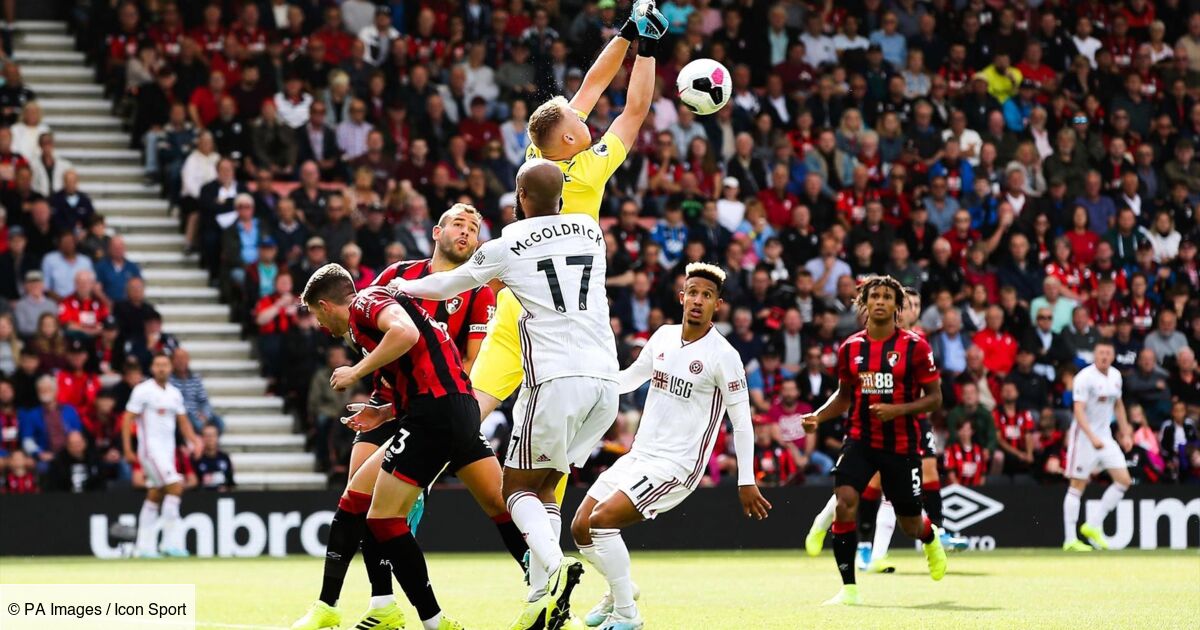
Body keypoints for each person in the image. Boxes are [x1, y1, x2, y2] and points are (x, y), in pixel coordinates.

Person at [387, 158, 620, 628]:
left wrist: (398, 286)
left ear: (518, 195)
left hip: (556, 380)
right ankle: (541, 600)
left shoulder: (509, 243)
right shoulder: (589, 229)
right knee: (546, 488)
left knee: (513, 490)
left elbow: (449, 283)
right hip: (605, 384)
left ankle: (552, 570)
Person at [464, 1, 666, 541]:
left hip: (515, 304)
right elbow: (634, 108)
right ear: (574, 140)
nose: (585, 114)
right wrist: (646, 45)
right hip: (565, 321)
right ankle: (546, 547)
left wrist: (626, 32)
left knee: (471, 409)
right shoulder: (591, 167)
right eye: (580, 121)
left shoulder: (538, 154)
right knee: (550, 452)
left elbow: (593, 86)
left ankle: (412, 480)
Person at [303, 204, 505, 630]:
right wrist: (384, 406)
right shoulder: (398, 278)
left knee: (485, 502)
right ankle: (380, 605)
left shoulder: (476, 290)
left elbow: (427, 343)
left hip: (437, 406)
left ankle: (540, 584)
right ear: (437, 231)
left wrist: (357, 371)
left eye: (473, 227)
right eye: (458, 224)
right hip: (405, 404)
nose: (466, 232)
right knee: (363, 502)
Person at [570, 263, 770, 629]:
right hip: (641, 454)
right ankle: (622, 589)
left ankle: (628, 615)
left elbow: (742, 422)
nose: (698, 300)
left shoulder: (724, 356)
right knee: (580, 526)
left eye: (706, 295)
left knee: (601, 523)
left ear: (717, 305)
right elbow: (631, 379)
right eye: (692, 292)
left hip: (676, 466)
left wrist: (746, 479)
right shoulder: (661, 336)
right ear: (682, 297)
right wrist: (590, 383)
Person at [800, 275, 947, 606]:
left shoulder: (915, 347)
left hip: (902, 445)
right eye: (874, 296)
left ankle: (931, 536)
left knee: (910, 522)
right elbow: (843, 396)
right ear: (863, 304)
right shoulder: (850, 347)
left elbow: (935, 398)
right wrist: (818, 417)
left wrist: (898, 410)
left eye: (886, 297)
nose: (880, 301)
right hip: (859, 439)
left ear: (897, 306)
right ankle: (849, 588)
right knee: (845, 501)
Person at [122, 352, 200, 558]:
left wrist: (195, 440)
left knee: (156, 494)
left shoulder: (174, 393)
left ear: (171, 367)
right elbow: (127, 419)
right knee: (175, 486)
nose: (162, 368)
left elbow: (183, 421)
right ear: (152, 368)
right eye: (158, 365)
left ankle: (143, 547)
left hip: (167, 451)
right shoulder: (143, 391)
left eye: (165, 364)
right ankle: (169, 543)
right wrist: (128, 449)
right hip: (150, 450)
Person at [1062, 340, 1133, 552]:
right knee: (1077, 485)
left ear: (1112, 356)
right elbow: (1078, 410)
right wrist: (1091, 436)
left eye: (1108, 353)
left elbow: (1118, 405)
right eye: (1101, 353)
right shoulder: (1084, 378)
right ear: (1095, 355)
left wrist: (1126, 432)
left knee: (1124, 481)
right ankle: (1070, 540)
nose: (1104, 356)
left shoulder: (1116, 376)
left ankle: (1092, 524)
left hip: (1106, 436)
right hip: (1084, 437)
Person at [192, 424, 234, 491]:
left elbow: (231, 483)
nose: (210, 439)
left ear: (217, 437)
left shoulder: (225, 458)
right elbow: (193, 485)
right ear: (202, 438)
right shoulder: (196, 459)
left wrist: (226, 489)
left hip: (221, 498)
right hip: (202, 498)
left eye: (213, 435)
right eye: (207, 436)